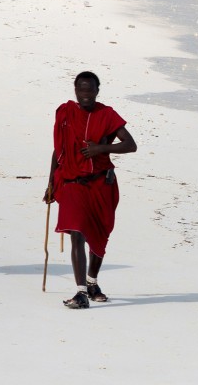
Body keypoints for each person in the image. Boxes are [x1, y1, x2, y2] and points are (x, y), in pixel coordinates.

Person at [44, 71, 137, 309]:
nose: (85, 94)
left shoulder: (106, 115)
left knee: (99, 234)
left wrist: (100, 149)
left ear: (97, 91)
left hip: (101, 183)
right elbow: (59, 149)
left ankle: (92, 282)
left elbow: (130, 145)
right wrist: (51, 181)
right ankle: (81, 292)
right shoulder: (66, 113)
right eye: (81, 90)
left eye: (90, 90)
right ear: (75, 91)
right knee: (77, 233)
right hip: (73, 182)